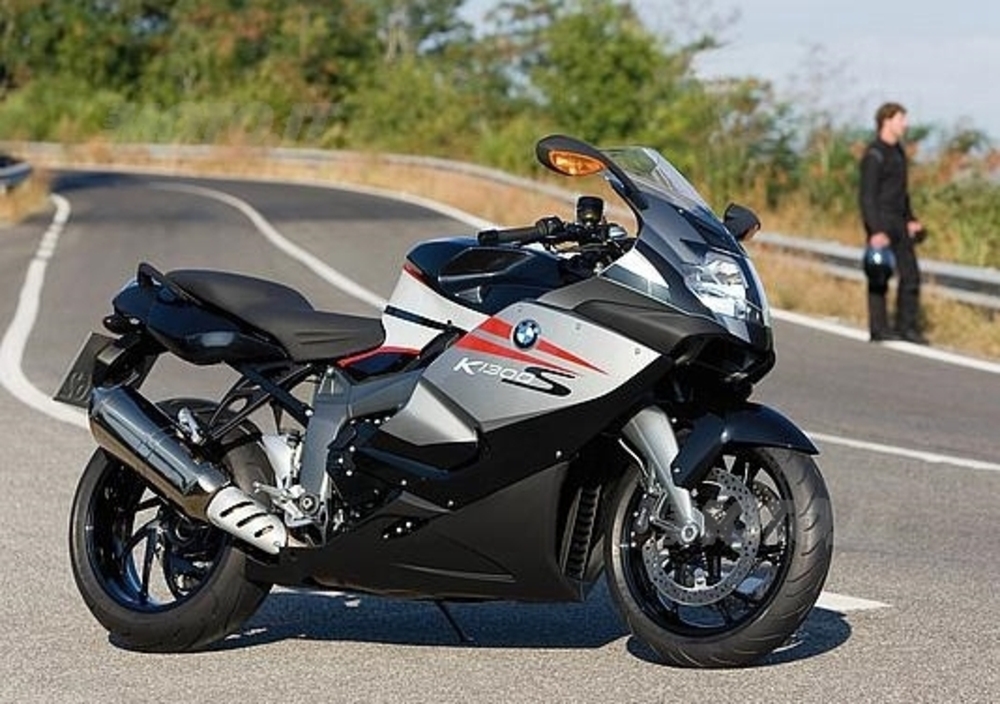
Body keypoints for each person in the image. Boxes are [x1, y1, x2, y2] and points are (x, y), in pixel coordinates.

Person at [859, 101, 928, 344]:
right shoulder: (874, 154)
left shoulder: (898, 152)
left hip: (900, 221)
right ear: (886, 121)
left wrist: (911, 219)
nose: (905, 124)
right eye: (901, 119)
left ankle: (906, 328)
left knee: (911, 276)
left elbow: (902, 193)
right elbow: (867, 196)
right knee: (879, 276)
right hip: (881, 221)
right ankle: (879, 329)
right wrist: (875, 230)